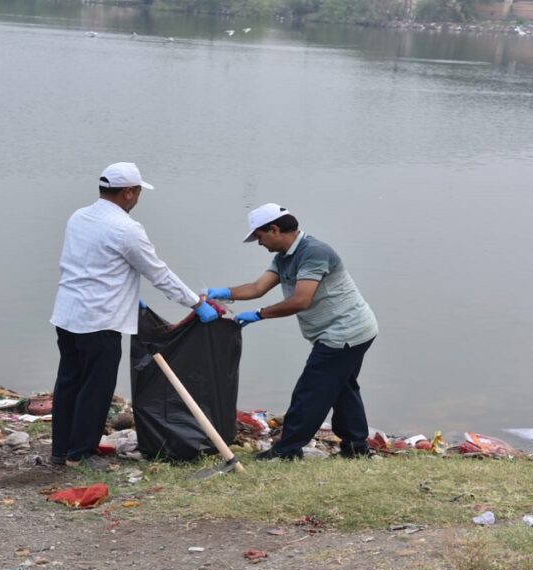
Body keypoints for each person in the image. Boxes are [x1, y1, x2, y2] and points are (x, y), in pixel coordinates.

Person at [50, 162, 219, 469]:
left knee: (69, 381)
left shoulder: (79, 216)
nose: (138, 198)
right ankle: (81, 454)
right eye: (138, 192)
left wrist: (129, 295)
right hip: (101, 319)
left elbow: (90, 262)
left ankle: (61, 451)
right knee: (96, 387)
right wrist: (196, 303)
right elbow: (159, 273)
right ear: (128, 192)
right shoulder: (126, 229)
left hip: (68, 313)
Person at [207, 203, 378, 460]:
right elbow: (257, 287)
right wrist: (223, 293)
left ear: (274, 229)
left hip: (344, 332)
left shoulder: (314, 253)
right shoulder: (284, 257)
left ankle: (287, 450)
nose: (259, 243)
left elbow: (301, 300)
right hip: (347, 330)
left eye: (259, 236)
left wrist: (259, 314)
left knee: (310, 391)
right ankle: (356, 446)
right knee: (343, 387)